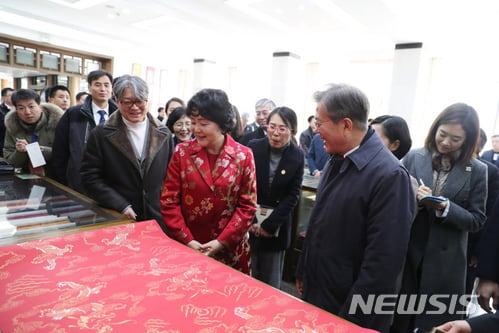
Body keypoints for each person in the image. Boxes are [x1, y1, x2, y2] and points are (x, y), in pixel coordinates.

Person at [295, 83, 415, 333]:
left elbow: (382, 263)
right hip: (319, 291)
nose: (316, 132)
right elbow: (317, 222)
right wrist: (303, 269)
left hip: (348, 309)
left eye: (320, 123)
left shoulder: (390, 176)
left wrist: (350, 321)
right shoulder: (337, 158)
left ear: (346, 125)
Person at [391, 103, 487, 333]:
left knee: (434, 323)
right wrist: (414, 197)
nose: (445, 142)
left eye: (455, 139)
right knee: (398, 317)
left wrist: (445, 207)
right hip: (409, 252)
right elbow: (394, 199)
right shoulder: (414, 157)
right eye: (442, 134)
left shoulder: (477, 170)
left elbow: (477, 220)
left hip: (446, 262)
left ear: (468, 140)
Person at [160, 88, 257, 274]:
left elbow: (247, 206)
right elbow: (169, 201)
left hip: (231, 249)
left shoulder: (244, 156)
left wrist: (221, 242)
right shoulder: (182, 153)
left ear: (221, 124)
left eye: (203, 123)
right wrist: (188, 240)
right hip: (189, 245)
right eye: (193, 122)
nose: (195, 129)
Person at [80, 75, 174, 230]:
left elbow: (171, 177)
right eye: (127, 102)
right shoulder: (101, 135)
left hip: (158, 216)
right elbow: (90, 177)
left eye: (139, 101)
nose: (134, 107)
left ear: (147, 101)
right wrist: (120, 205)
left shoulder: (163, 133)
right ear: (116, 100)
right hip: (119, 216)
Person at [247, 106, 304, 289]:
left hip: (276, 228)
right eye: (272, 127)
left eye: (282, 128)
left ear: (292, 130)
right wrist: (251, 219)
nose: (275, 133)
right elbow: (245, 186)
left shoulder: (297, 156)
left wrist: (269, 225)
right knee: (247, 275)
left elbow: (292, 195)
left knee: (269, 283)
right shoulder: (254, 147)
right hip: (249, 223)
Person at [51, 70, 117, 193]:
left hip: (111, 185)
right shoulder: (73, 114)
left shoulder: (120, 116)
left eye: (106, 85)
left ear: (112, 88)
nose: (102, 89)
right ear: (89, 87)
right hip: (78, 184)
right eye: (97, 84)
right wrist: (64, 183)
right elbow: (60, 151)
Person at [3, 89, 63, 175]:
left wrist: (45, 151)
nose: (27, 112)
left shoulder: (58, 123)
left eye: (31, 106)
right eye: (21, 108)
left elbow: (69, 153)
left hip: (57, 177)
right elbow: (10, 162)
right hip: (26, 178)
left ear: (40, 106)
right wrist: (20, 152)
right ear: (16, 110)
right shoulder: (12, 127)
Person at [0, 87, 14, 157]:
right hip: (4, 145)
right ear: (3, 97)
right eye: (10, 95)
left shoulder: (19, 108)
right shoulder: (1, 111)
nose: (13, 97)